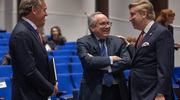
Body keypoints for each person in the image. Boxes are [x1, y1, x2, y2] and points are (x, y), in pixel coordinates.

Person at [118, 0, 175, 100]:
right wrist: (127, 44)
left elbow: (165, 66)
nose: (130, 19)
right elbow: (140, 57)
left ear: (144, 14)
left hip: (152, 93)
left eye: (132, 14)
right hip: (140, 91)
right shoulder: (144, 33)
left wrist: (160, 93)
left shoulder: (161, 33)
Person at [9, 0, 58, 99]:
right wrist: (50, 89)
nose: (46, 14)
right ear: (34, 10)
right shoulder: (22, 33)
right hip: (27, 95)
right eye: (44, 10)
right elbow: (30, 71)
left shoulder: (29, 30)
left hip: (35, 93)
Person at [76, 12, 131, 100]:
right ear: (92, 27)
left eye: (108, 23)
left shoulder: (118, 41)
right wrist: (112, 59)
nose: (107, 26)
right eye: (102, 24)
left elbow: (128, 61)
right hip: (93, 90)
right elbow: (88, 62)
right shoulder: (83, 42)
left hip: (117, 90)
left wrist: (108, 68)